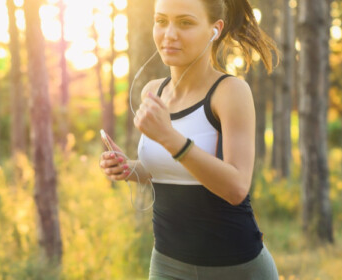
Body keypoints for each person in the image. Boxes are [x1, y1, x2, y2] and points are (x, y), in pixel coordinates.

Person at [99, 0, 279, 279]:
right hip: (167, 264)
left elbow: (236, 188)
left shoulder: (230, 92)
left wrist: (171, 138)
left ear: (214, 29)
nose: (169, 34)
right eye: (161, 21)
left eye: (185, 23)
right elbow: (170, 170)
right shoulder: (152, 92)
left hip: (237, 267)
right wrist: (130, 169)